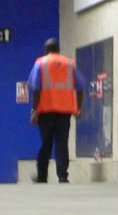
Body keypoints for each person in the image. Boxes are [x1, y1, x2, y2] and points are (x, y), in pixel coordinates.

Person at [27, 38, 85, 183]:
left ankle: (42, 176)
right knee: (62, 143)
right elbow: (80, 87)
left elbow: (35, 89)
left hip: (46, 110)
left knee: (45, 143)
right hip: (65, 111)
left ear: (45, 50)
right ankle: (63, 176)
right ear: (58, 50)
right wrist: (78, 108)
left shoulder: (40, 63)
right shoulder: (69, 64)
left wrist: (34, 110)